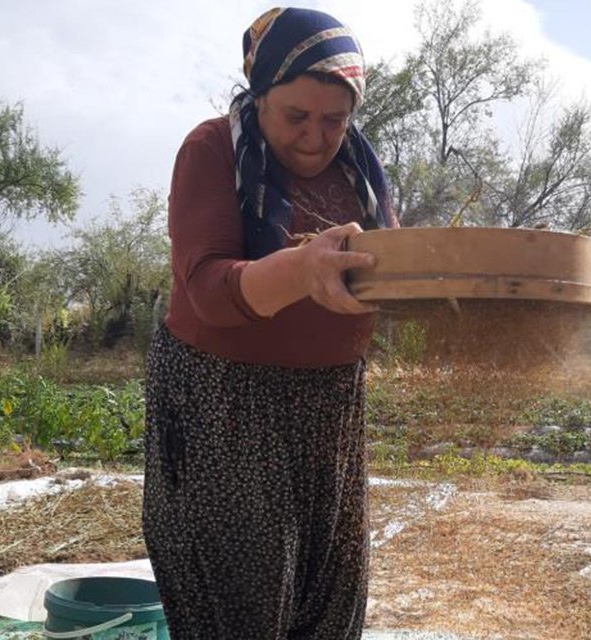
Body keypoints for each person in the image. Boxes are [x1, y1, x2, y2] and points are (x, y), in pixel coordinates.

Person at [141, 7, 397, 639]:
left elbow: (389, 272)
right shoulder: (212, 151)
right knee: (241, 606)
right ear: (259, 98)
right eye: (296, 116)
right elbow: (209, 289)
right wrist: (302, 271)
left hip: (329, 408)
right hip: (225, 407)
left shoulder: (360, 173)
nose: (315, 137)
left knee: (329, 602)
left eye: (334, 119)